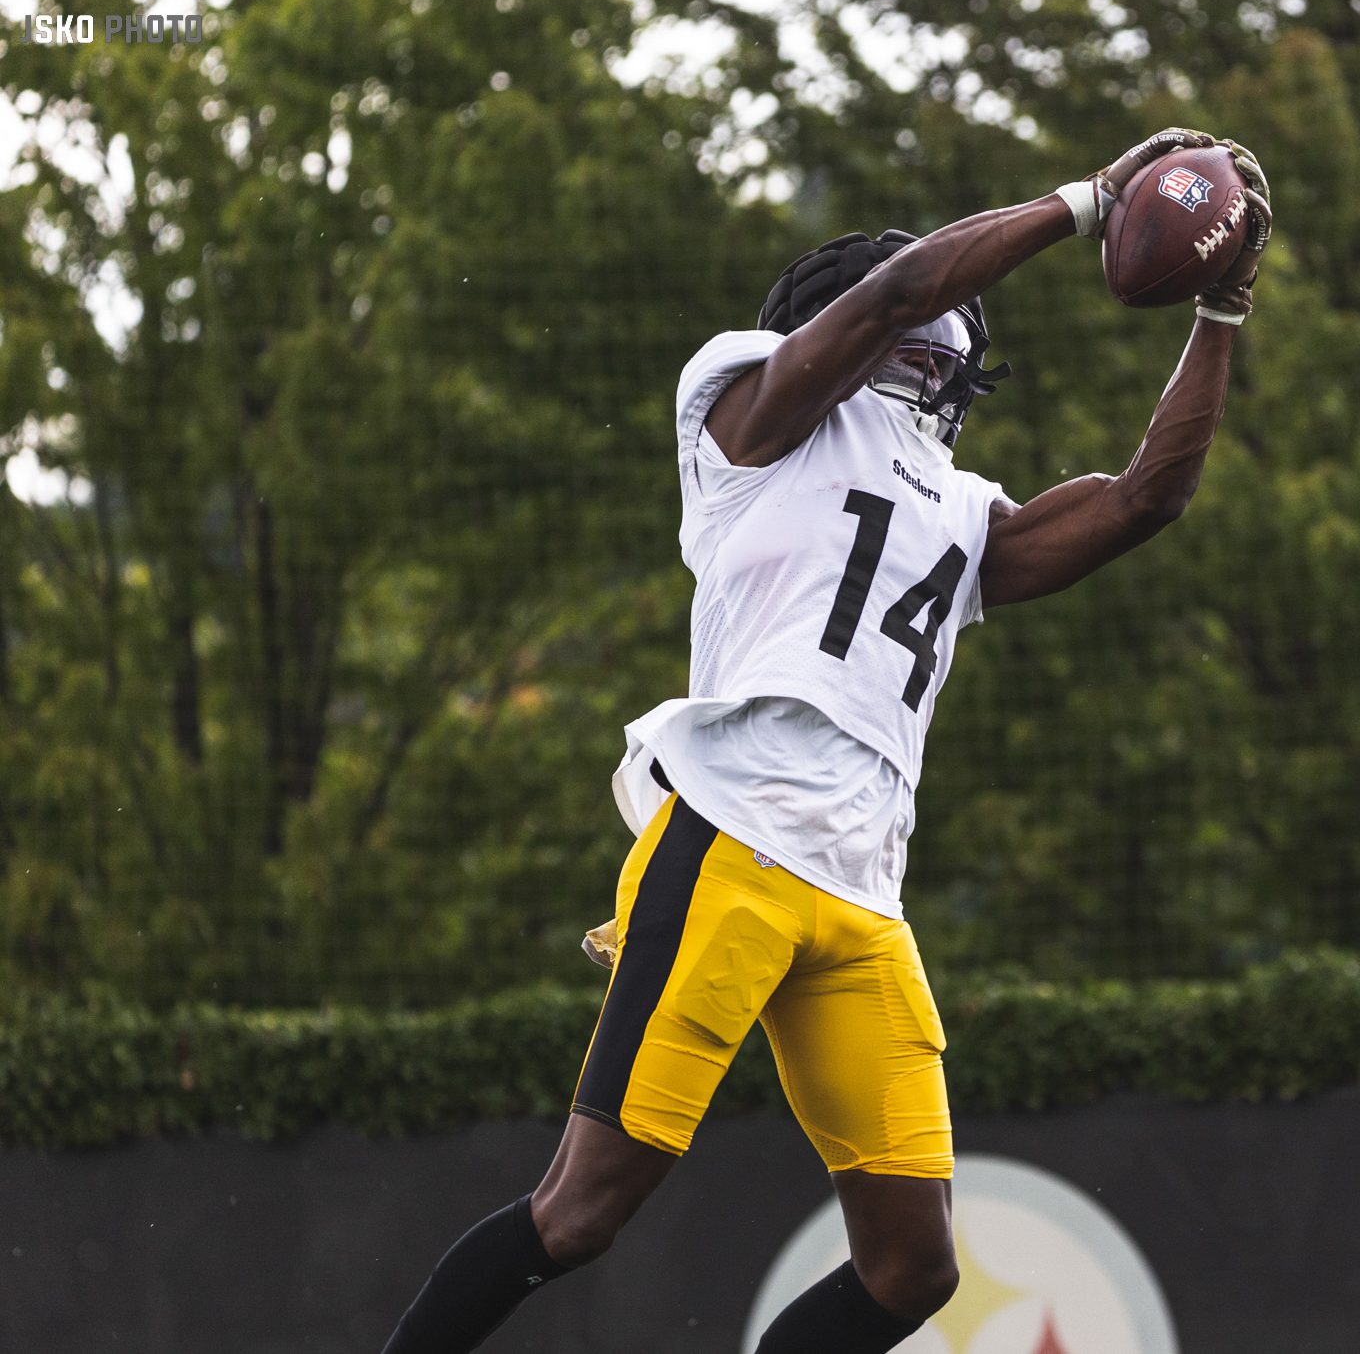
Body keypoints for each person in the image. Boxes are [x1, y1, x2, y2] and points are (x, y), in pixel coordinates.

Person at [379, 127, 1271, 1354]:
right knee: (581, 1212)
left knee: (913, 1270)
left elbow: (1143, 499)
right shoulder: (755, 417)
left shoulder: (961, 513)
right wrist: (1092, 201)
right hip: (734, 840)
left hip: (860, 893)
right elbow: (902, 290)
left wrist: (1217, 314)